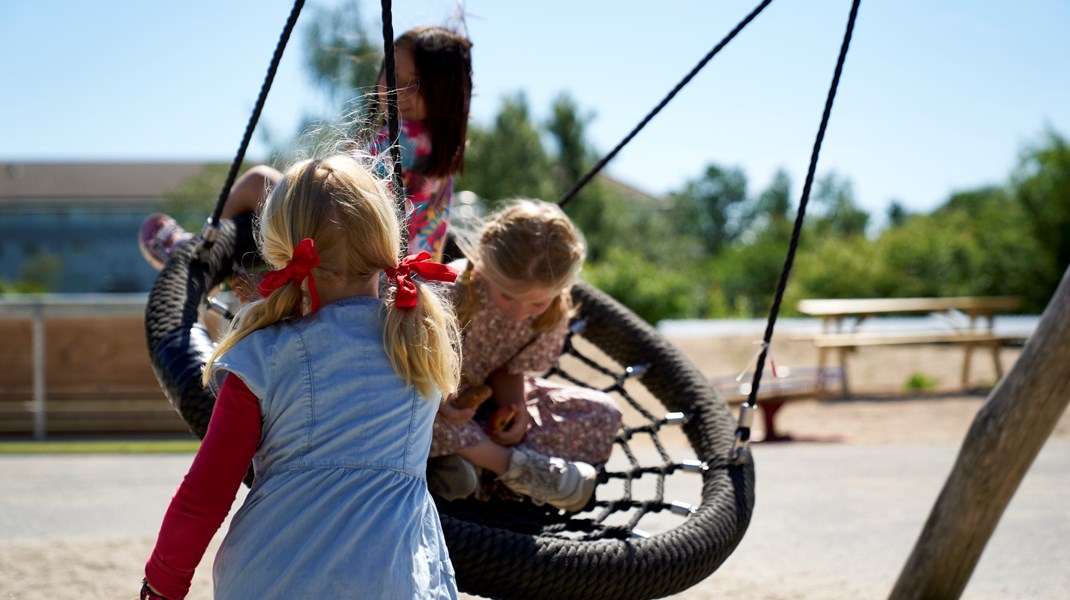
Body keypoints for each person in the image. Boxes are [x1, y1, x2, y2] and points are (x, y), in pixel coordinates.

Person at [139, 154, 463, 600]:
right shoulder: (420, 343)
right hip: (393, 580)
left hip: (271, 577)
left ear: (281, 250)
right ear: (387, 240)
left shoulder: (263, 354)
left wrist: (162, 584)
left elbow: (206, 492)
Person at [139, 24, 473, 270]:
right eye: (391, 73)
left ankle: (195, 252)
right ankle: (233, 266)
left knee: (257, 181)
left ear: (443, 96)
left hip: (355, 259)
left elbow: (340, 180)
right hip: (400, 277)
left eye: (414, 83)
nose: (395, 89)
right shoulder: (443, 153)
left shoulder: (407, 139)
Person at [427, 199, 623, 513]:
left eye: (536, 304)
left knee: (604, 414)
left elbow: (508, 370)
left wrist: (513, 411)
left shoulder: (552, 314)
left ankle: (466, 466)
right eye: (507, 296)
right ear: (484, 264)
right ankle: (509, 469)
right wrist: (440, 399)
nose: (519, 313)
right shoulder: (449, 288)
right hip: (430, 395)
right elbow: (410, 362)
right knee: (415, 413)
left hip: (478, 411)